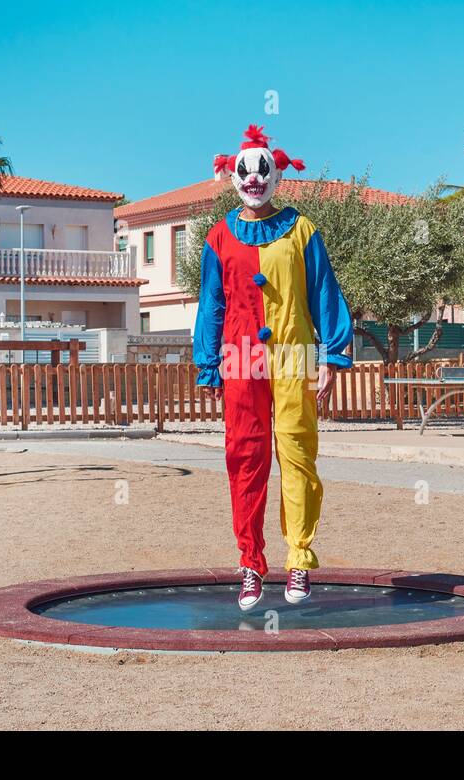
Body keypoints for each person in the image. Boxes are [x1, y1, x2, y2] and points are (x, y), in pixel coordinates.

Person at [194, 124, 353, 611]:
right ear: (232, 176)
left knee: (298, 456)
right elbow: (211, 303)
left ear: (277, 172)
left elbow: (325, 292)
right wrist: (208, 364)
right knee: (245, 459)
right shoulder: (219, 236)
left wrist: (332, 353)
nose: (254, 179)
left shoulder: (303, 230)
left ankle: (299, 559)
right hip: (240, 359)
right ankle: (250, 564)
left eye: (263, 170)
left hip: (295, 356)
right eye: (245, 172)